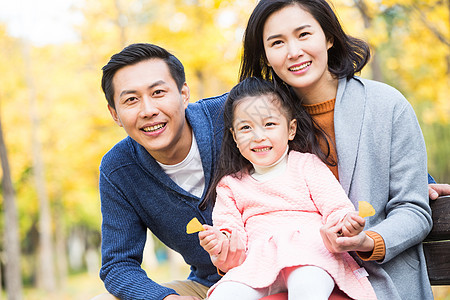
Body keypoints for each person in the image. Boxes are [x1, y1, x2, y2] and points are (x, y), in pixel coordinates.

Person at [224, 0, 440, 299]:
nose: (293, 51)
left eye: (304, 34)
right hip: (283, 276)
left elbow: (413, 209)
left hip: (377, 280)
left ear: (328, 37)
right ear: (265, 56)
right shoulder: (260, 122)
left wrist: (368, 241)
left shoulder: (386, 106)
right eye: (277, 42)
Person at [198, 77, 377, 299]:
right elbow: (232, 239)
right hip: (258, 264)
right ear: (235, 137)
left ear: (291, 129)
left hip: (311, 255)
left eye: (269, 124)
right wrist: (219, 244)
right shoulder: (230, 185)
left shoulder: (306, 165)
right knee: (223, 295)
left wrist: (346, 224)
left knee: (307, 285)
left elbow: (336, 208)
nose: (258, 136)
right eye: (245, 128)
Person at [96, 43, 228, 300]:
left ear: (184, 93)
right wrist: (165, 298)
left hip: (281, 267)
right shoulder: (118, 169)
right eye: (131, 100)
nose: (148, 111)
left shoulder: (229, 115)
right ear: (115, 114)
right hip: (209, 285)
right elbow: (117, 265)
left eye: (158, 92)